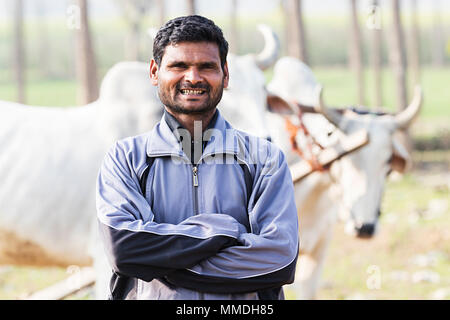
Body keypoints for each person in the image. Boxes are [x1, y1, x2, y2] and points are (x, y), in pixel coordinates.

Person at [96, 15, 299, 300]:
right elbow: (125, 250)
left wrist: (161, 263)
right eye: (178, 65)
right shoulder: (125, 159)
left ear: (225, 75)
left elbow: (280, 261)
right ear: (154, 72)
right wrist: (225, 231)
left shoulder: (265, 160)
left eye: (206, 67)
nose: (193, 77)